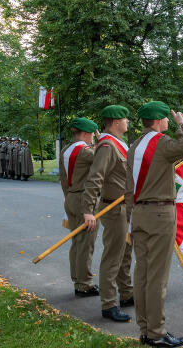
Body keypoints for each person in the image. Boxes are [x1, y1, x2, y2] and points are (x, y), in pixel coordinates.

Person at [125, 101, 183, 347]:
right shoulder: (161, 143)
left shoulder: (134, 146)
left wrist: (130, 218)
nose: (168, 121)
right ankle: (156, 333)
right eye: (166, 118)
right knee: (157, 277)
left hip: (139, 213)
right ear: (158, 120)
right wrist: (182, 123)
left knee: (142, 274)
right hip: (160, 214)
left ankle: (145, 329)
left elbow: (129, 187)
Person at [81, 105, 133, 322]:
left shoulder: (120, 144)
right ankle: (109, 304)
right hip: (114, 207)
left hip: (126, 206)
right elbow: (95, 178)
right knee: (113, 255)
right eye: (125, 119)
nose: (128, 122)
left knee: (125, 253)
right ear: (115, 122)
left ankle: (127, 293)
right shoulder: (107, 145)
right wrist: (87, 210)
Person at [60, 118, 100, 298]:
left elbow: (62, 178)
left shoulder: (65, 150)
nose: (93, 137)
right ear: (85, 133)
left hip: (70, 196)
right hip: (84, 198)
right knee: (86, 242)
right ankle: (84, 284)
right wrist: (104, 141)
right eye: (92, 134)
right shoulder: (85, 152)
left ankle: (78, 278)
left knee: (77, 240)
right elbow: (105, 157)